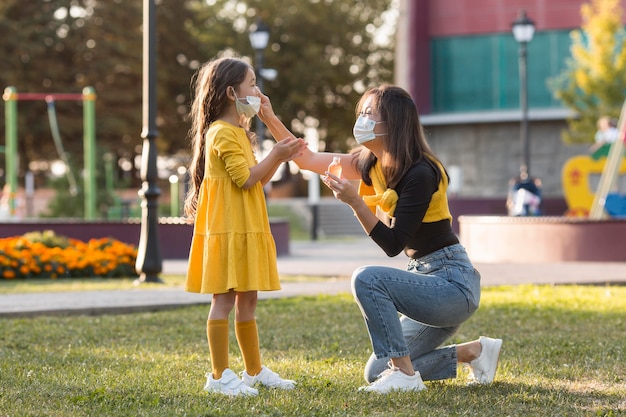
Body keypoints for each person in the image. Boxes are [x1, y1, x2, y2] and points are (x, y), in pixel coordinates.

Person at [259, 85, 502, 393]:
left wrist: (355, 202)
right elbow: (305, 159)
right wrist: (268, 116)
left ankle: (404, 376)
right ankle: (473, 352)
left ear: (393, 123)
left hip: (452, 287)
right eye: (361, 112)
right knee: (376, 370)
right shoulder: (369, 162)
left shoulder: (421, 172)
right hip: (423, 283)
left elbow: (393, 244)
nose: (361, 119)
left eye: (368, 113)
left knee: (367, 279)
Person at [183, 57, 306, 396]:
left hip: (246, 224)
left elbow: (259, 180)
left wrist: (276, 156)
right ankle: (219, 375)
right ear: (230, 92)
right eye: (252, 84)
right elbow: (244, 178)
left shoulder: (239, 131)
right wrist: (276, 155)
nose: (257, 91)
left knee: (247, 301)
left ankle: (252, 371)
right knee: (223, 299)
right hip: (227, 227)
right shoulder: (220, 132)